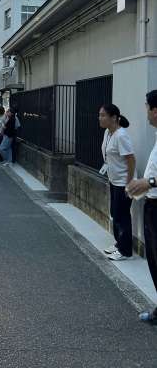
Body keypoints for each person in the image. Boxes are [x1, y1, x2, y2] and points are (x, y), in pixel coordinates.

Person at [126, 90, 157, 325]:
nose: (145, 112)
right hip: (151, 205)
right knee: (154, 261)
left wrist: (149, 182)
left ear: (155, 111)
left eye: (147, 107)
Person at [99, 104, 136, 261]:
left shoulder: (121, 136)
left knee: (122, 215)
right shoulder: (108, 132)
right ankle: (119, 243)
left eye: (103, 115)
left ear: (113, 118)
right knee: (115, 213)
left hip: (123, 183)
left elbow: (131, 160)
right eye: (99, 115)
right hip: (114, 181)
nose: (100, 118)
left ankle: (125, 251)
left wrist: (129, 184)